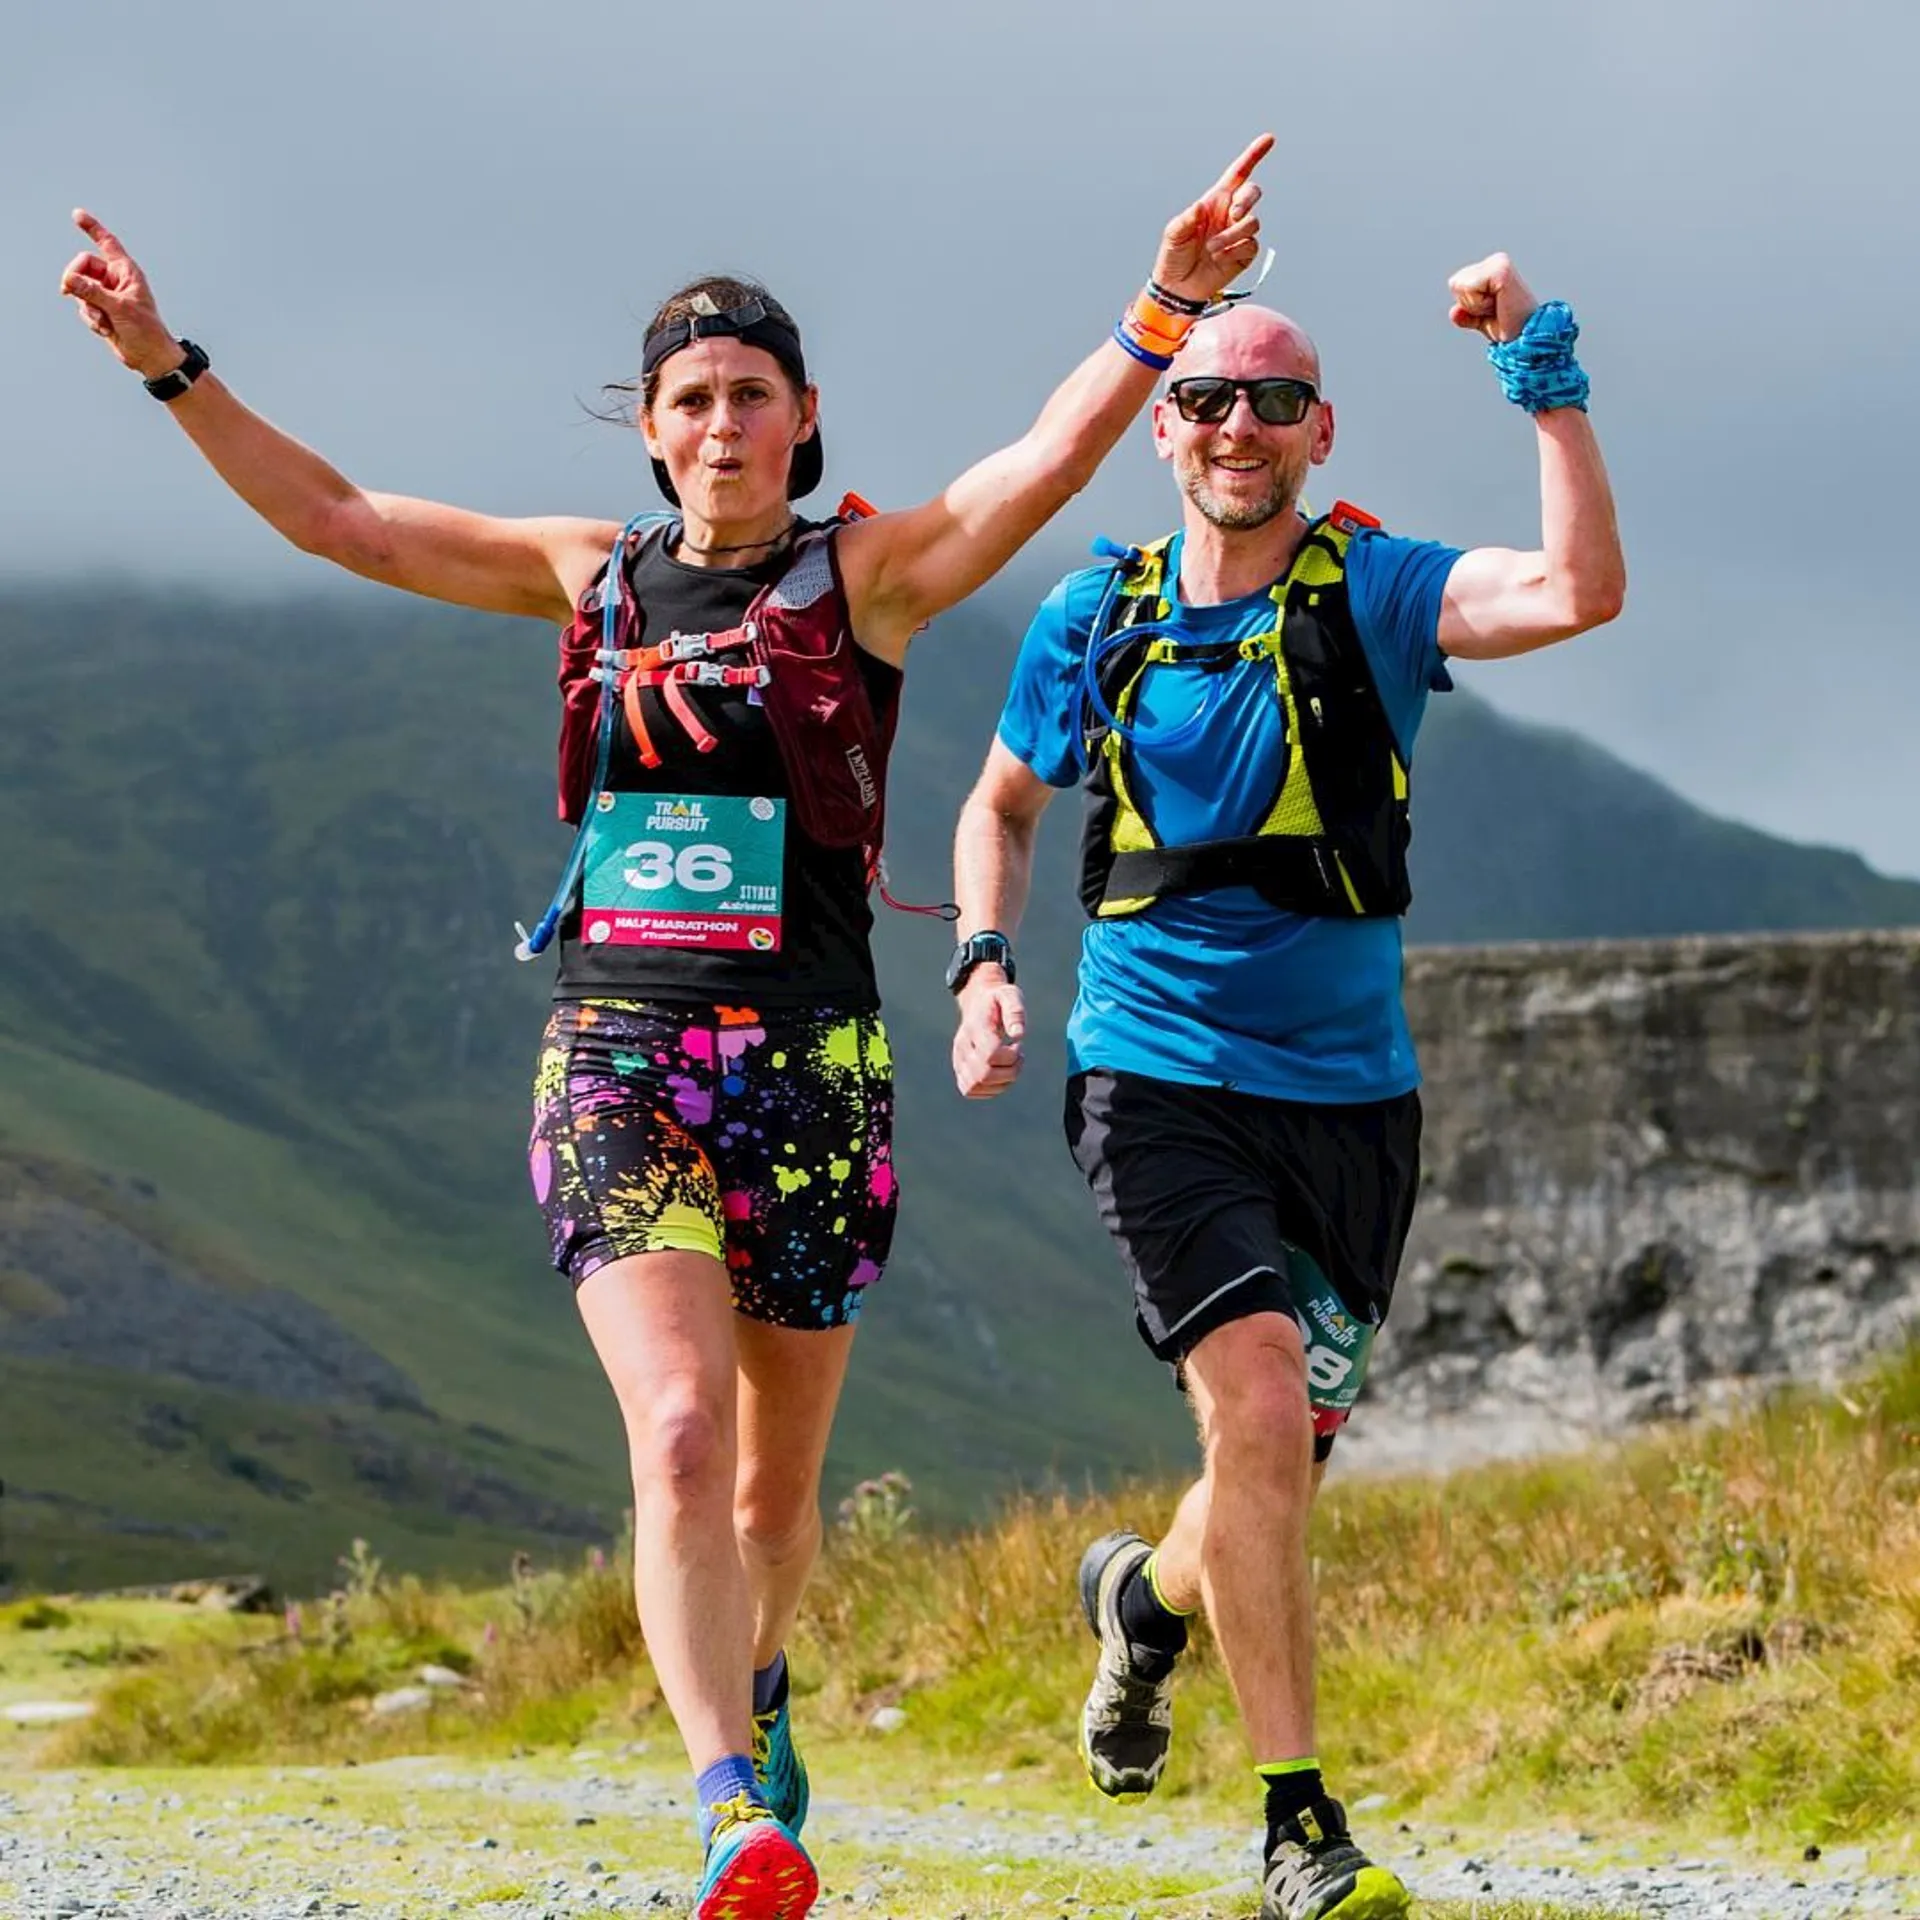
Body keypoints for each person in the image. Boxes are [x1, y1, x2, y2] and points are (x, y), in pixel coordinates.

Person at [57, 140, 1272, 1920]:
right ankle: (726, 1809)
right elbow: (341, 520)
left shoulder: (869, 581)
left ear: (803, 419)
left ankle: (757, 1692)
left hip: (814, 1073)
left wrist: (1168, 304)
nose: (720, 424)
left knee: (773, 1503)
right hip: (617, 1059)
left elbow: (1046, 462)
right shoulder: (591, 576)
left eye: (750, 395)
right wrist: (170, 364)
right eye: (690, 398)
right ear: (648, 426)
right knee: (683, 1438)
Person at [948, 257, 1624, 1920]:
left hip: (1352, 1099)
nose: (1236, 424)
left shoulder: (1376, 589)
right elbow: (1000, 806)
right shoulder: (1093, 614)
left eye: (1273, 398)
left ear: (1321, 428)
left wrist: (1540, 374)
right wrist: (984, 959)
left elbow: (1579, 591)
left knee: (1272, 1472)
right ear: (1164, 429)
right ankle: (1299, 1830)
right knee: (1253, 1410)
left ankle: (1144, 1609)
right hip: (1154, 1074)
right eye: (1205, 398)